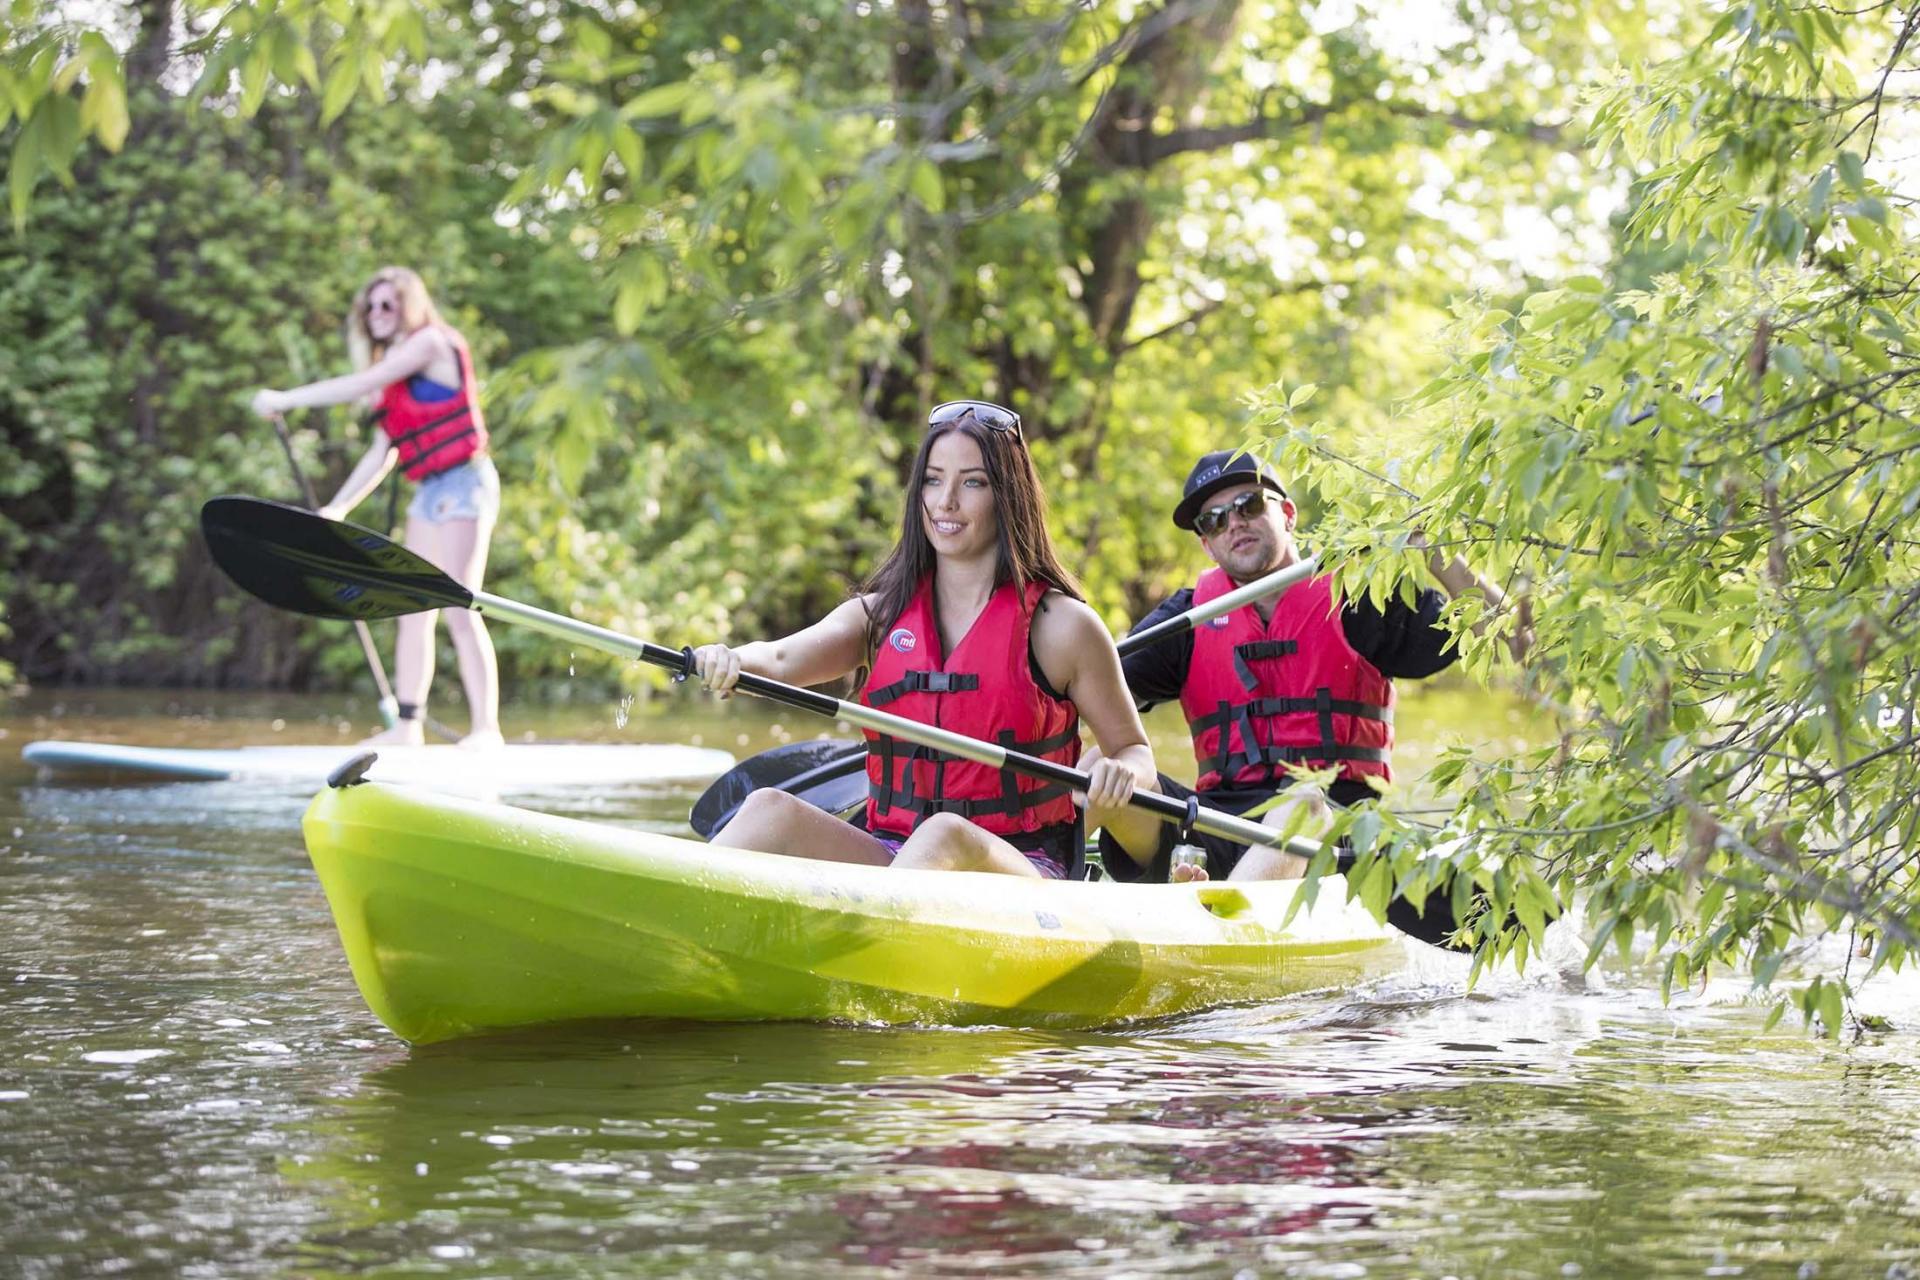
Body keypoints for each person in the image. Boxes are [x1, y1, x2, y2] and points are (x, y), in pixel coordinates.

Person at [690, 400, 1157, 878]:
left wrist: (1121, 773)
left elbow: (1135, 753)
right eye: (933, 480)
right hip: (893, 854)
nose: (945, 501)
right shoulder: (880, 616)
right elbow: (780, 657)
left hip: (1022, 868)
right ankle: (675, 914)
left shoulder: (1063, 627)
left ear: (1008, 495)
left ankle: (874, 938)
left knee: (943, 832)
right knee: (769, 808)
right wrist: (731, 660)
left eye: (972, 482)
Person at [1096, 449, 1529, 882]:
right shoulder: (1189, 617)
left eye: (1248, 505)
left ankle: (1220, 915)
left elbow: (1509, 637)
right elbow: (1088, 690)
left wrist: (1437, 553)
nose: (1234, 523)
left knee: (1301, 802)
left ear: (1287, 513)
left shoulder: (1359, 598)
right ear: (1207, 544)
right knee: (1101, 766)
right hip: (1216, 824)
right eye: (1213, 521)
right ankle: (1042, 881)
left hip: (1335, 832)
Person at [249, 267, 502, 748]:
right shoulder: (397, 381)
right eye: (371, 306)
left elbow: (360, 382)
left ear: (411, 305)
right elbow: (382, 451)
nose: (378, 314)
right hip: (428, 492)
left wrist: (286, 399)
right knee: (413, 609)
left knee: (460, 607)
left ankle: (487, 731)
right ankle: (407, 728)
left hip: (465, 482)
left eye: (389, 304)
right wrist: (338, 507)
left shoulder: (430, 344)